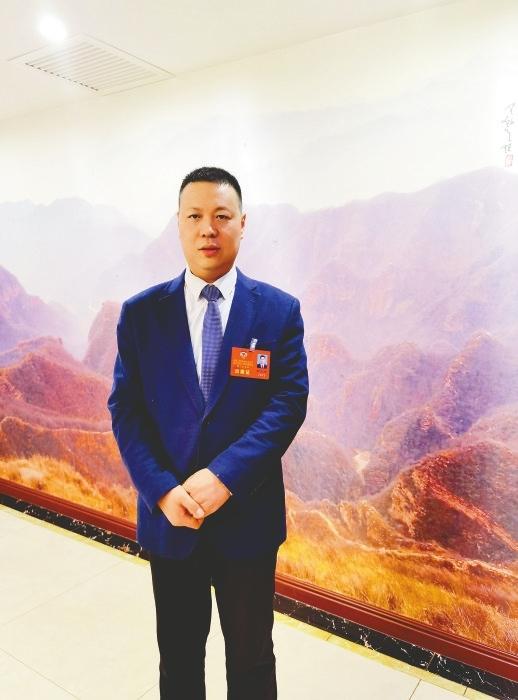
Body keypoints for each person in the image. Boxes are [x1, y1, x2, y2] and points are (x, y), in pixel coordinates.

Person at [107, 166, 308, 700]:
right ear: (178, 223)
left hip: (247, 521)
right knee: (178, 656)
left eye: (221, 216)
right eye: (194, 216)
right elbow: (126, 410)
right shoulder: (141, 315)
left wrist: (225, 477)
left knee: (251, 660)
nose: (208, 229)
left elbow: (287, 404)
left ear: (243, 223)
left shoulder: (279, 312)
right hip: (172, 520)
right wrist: (161, 491)